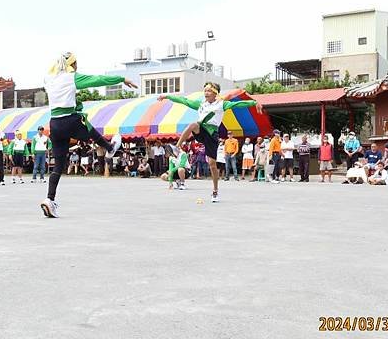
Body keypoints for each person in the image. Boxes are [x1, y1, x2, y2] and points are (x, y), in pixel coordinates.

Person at [40, 52, 136, 217]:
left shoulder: (49, 79)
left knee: (58, 166)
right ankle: (109, 147)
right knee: (84, 121)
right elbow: (98, 79)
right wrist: (121, 79)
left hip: (54, 124)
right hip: (69, 121)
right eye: (76, 63)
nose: (77, 66)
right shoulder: (72, 77)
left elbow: (55, 79)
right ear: (72, 65)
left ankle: (49, 199)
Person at [159, 82, 261, 202]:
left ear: (215, 93)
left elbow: (238, 104)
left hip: (212, 135)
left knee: (212, 164)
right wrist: (167, 96)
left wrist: (254, 102)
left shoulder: (222, 104)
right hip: (201, 130)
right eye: (205, 90)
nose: (206, 93)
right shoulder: (201, 104)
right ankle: (177, 147)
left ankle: (215, 191)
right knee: (193, 124)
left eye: (209, 91)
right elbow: (184, 100)